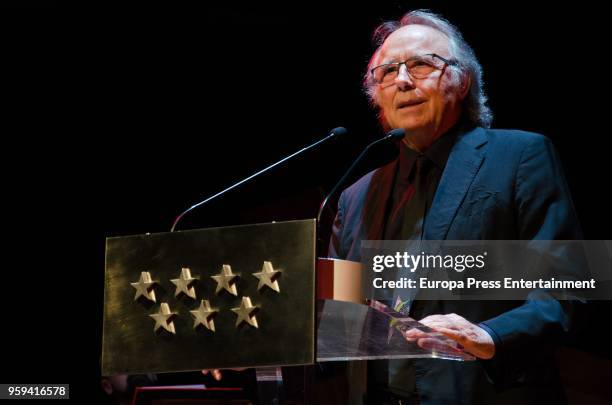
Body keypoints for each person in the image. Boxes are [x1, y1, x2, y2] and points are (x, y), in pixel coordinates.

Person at [329, 9, 582, 405]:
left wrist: (489, 335)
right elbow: (337, 320)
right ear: (375, 94)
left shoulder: (519, 156)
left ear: (461, 80)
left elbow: (565, 288)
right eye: (387, 72)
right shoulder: (356, 194)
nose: (403, 80)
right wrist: (255, 351)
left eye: (420, 64)